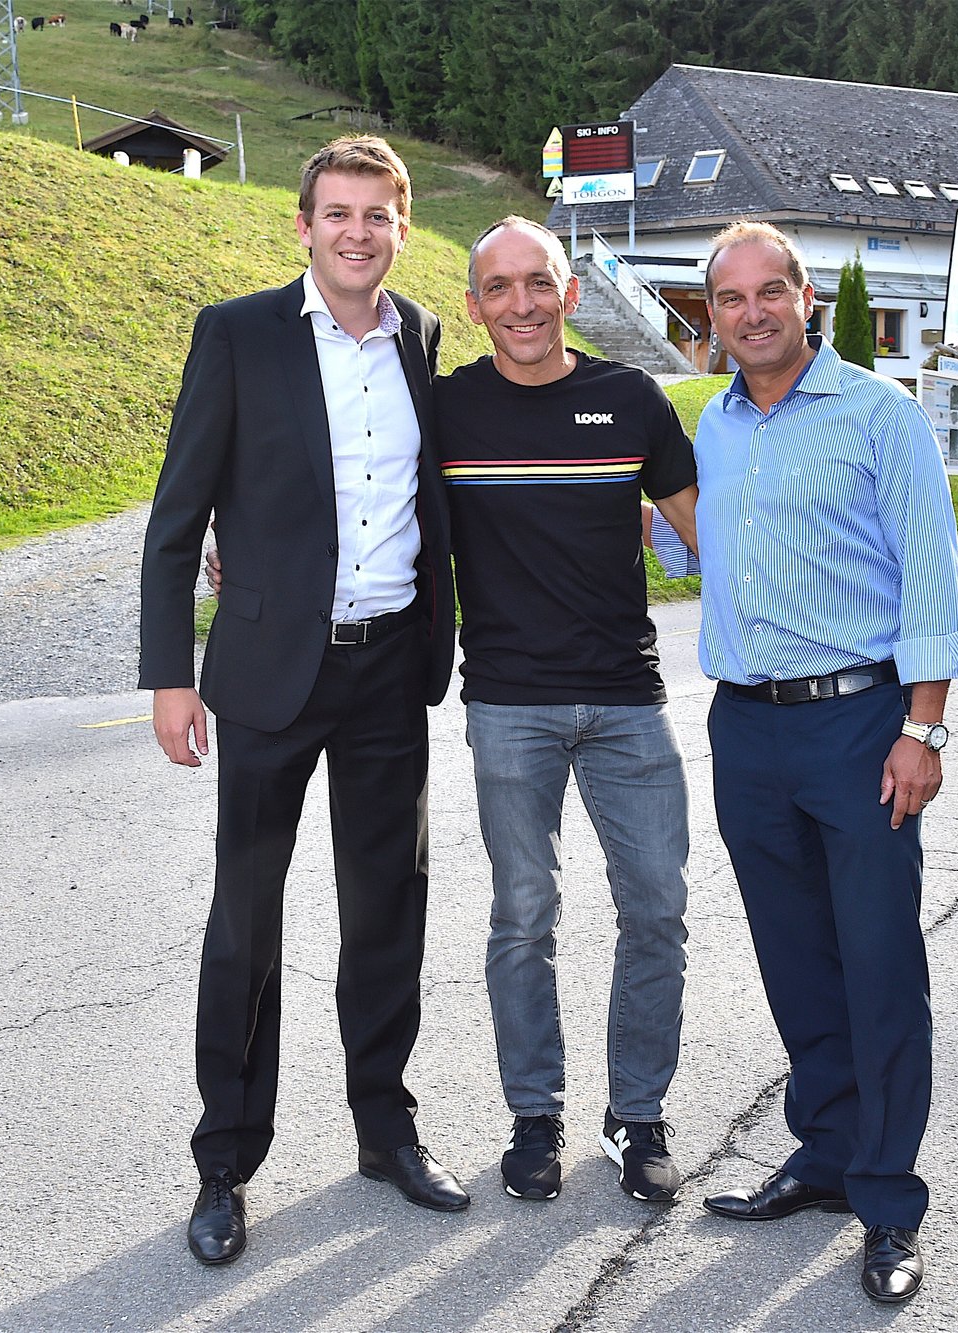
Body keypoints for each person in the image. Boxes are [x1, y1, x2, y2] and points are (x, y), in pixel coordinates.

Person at [208, 217, 701, 1205]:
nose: (518, 303)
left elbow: (716, 535)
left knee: (656, 907)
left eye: (537, 283)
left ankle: (635, 1116)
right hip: (507, 704)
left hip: (626, 703)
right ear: (472, 306)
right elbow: (342, 477)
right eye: (497, 288)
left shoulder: (629, 398)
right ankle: (536, 1118)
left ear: (569, 295)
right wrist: (242, 541)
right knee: (524, 916)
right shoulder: (446, 410)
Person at [139, 135, 466, 1269]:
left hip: (389, 672)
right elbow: (177, 519)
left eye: (377, 215)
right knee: (247, 919)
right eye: (337, 213)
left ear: (400, 226)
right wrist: (170, 674)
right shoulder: (235, 334)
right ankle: (224, 1158)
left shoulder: (423, 336)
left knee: (388, 911)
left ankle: (385, 1127)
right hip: (273, 671)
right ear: (303, 225)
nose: (356, 233)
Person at [681, 222, 958, 1304]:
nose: (751, 312)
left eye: (770, 292)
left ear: (806, 299)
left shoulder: (877, 415)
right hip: (744, 727)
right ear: (708, 315)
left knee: (877, 960)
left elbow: (930, 581)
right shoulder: (708, 426)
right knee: (795, 953)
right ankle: (824, 1154)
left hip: (859, 724)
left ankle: (888, 1200)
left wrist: (923, 726)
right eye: (728, 299)